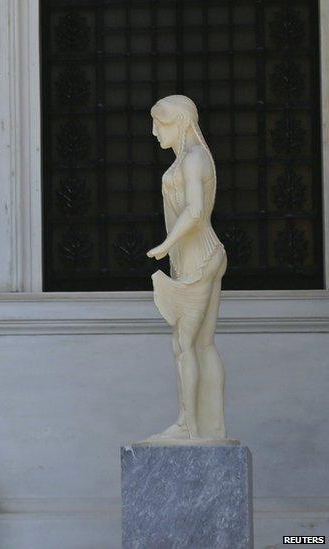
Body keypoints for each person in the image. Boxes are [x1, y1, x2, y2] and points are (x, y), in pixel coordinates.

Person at [145, 94, 228, 442]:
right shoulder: (193, 158)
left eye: (159, 123)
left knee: (184, 344)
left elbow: (195, 211)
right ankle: (212, 427)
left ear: (178, 122)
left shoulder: (193, 159)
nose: (153, 132)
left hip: (198, 258)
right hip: (203, 255)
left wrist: (165, 245)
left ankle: (188, 424)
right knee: (203, 344)